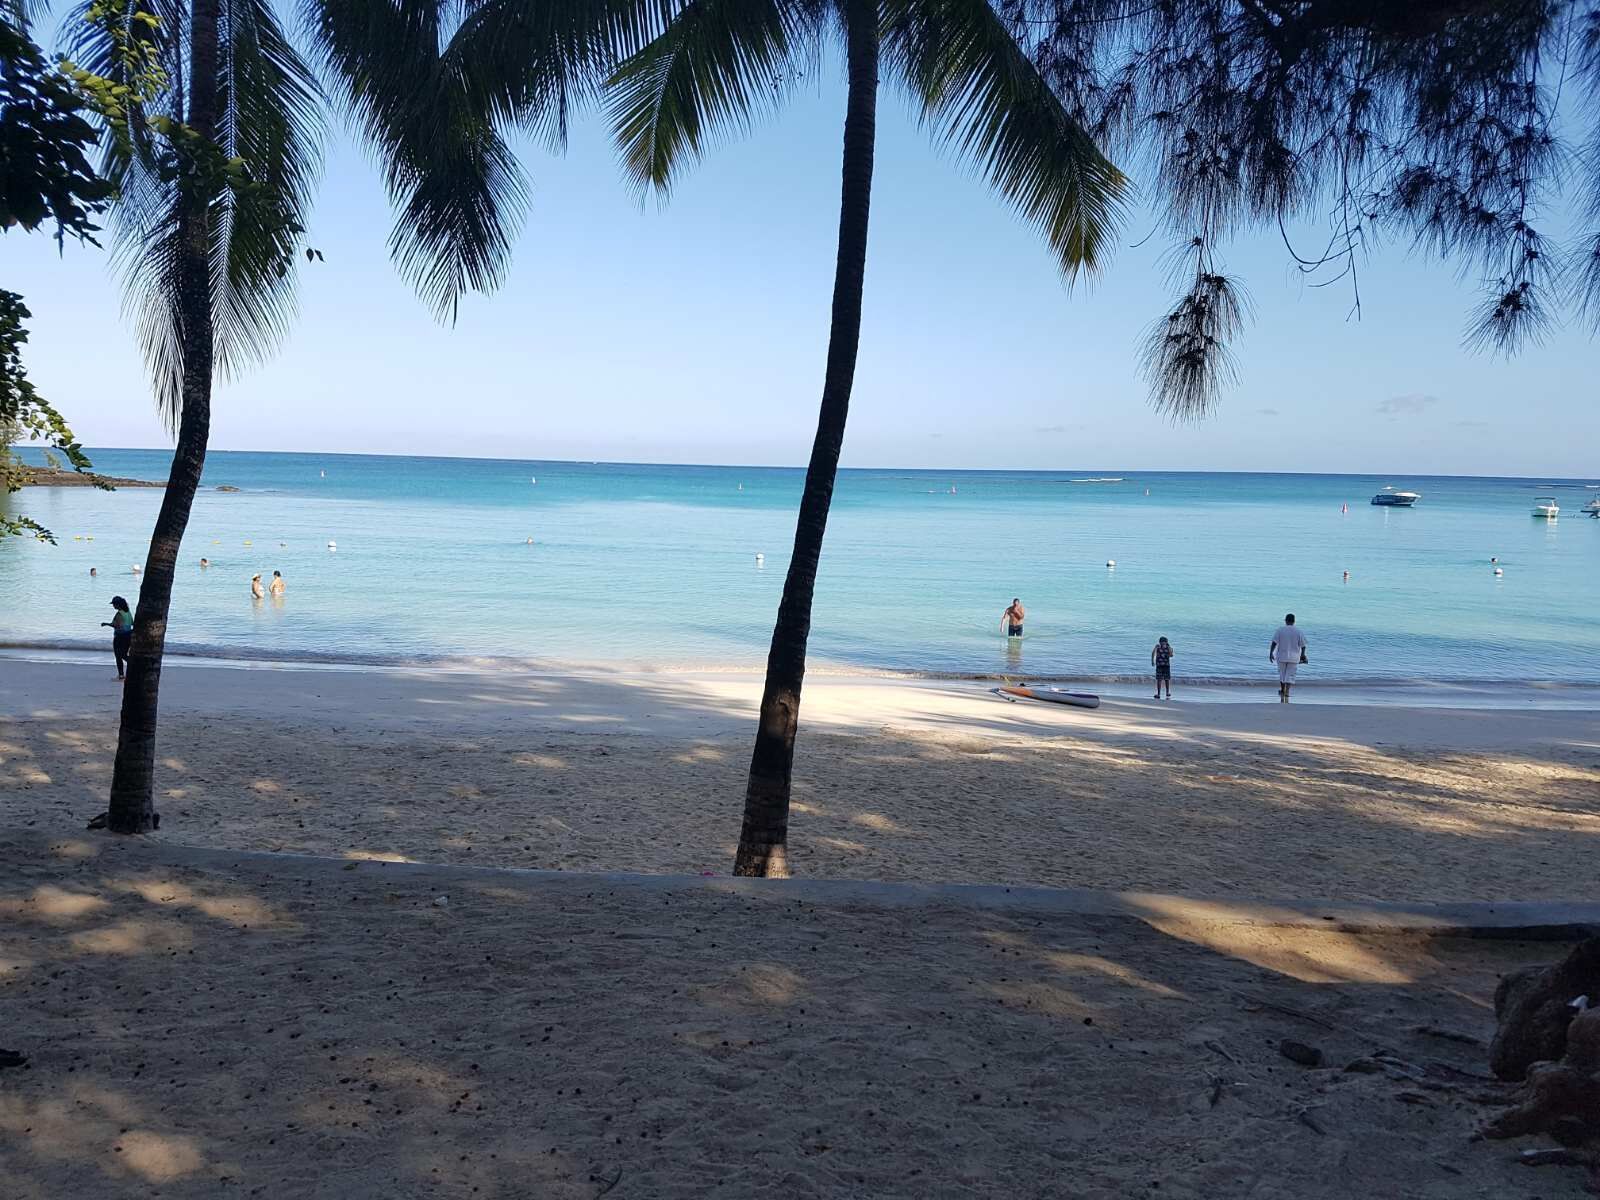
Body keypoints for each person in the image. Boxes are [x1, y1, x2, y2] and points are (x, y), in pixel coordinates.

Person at [1269, 613, 1308, 703]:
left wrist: (1271, 653)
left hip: (1281, 656)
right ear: (1294, 621)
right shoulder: (1298, 631)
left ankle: (1282, 690)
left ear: (1286, 620)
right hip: (1294, 657)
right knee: (1290, 675)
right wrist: (1303, 655)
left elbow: (1274, 642)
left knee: (1282, 674)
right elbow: (1303, 646)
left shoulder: (1280, 630)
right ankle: (1287, 691)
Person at [101, 596, 133, 680]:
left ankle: (121, 675)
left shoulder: (119, 614)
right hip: (128, 636)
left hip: (120, 636)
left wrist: (106, 624)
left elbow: (117, 625)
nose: (113, 606)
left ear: (118, 604)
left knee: (119, 656)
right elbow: (132, 623)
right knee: (124, 654)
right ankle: (132, 667)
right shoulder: (128, 613)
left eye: (114, 604)